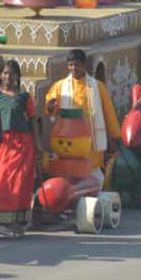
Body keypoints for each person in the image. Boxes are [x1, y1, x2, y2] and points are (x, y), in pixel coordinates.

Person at [0, 59, 37, 237]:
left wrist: (39, 146)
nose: (7, 76)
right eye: (5, 73)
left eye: (11, 73)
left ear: (17, 76)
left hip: (21, 145)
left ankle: (16, 224)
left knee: (18, 183)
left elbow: (33, 120)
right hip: (1, 145)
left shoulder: (24, 97)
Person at [44, 49, 120, 183]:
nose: (73, 68)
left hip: (90, 140)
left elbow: (108, 112)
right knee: (69, 175)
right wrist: (50, 106)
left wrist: (115, 136)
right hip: (69, 142)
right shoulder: (60, 86)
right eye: (71, 65)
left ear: (84, 65)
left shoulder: (97, 86)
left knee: (92, 173)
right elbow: (51, 108)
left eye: (77, 64)